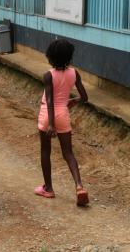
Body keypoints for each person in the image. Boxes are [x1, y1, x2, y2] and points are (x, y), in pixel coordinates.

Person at [35, 39, 89, 207]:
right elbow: (85, 97)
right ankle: (79, 186)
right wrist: (74, 100)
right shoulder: (74, 73)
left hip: (48, 114)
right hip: (63, 113)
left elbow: (50, 100)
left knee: (45, 151)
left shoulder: (48, 75)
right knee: (68, 153)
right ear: (69, 56)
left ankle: (48, 188)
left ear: (50, 56)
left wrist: (51, 124)